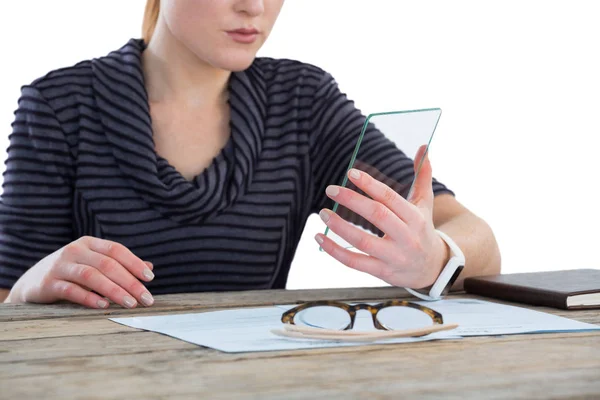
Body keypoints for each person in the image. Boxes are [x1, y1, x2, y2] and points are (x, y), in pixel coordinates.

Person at [0, 0, 500, 309]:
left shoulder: (302, 101)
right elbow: (8, 301)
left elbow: (477, 239)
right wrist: (30, 283)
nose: (254, 6)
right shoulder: (58, 106)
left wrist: (436, 257)